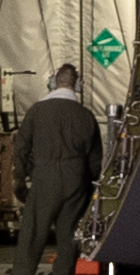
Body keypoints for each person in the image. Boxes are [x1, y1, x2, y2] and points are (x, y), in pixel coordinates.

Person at [14, 67, 102, 261]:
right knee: (69, 245)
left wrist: (20, 178)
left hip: (44, 179)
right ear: (77, 85)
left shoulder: (36, 111)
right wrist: (86, 189)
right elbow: (95, 162)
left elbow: (21, 147)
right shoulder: (86, 116)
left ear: (53, 83)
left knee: (31, 240)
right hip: (76, 181)